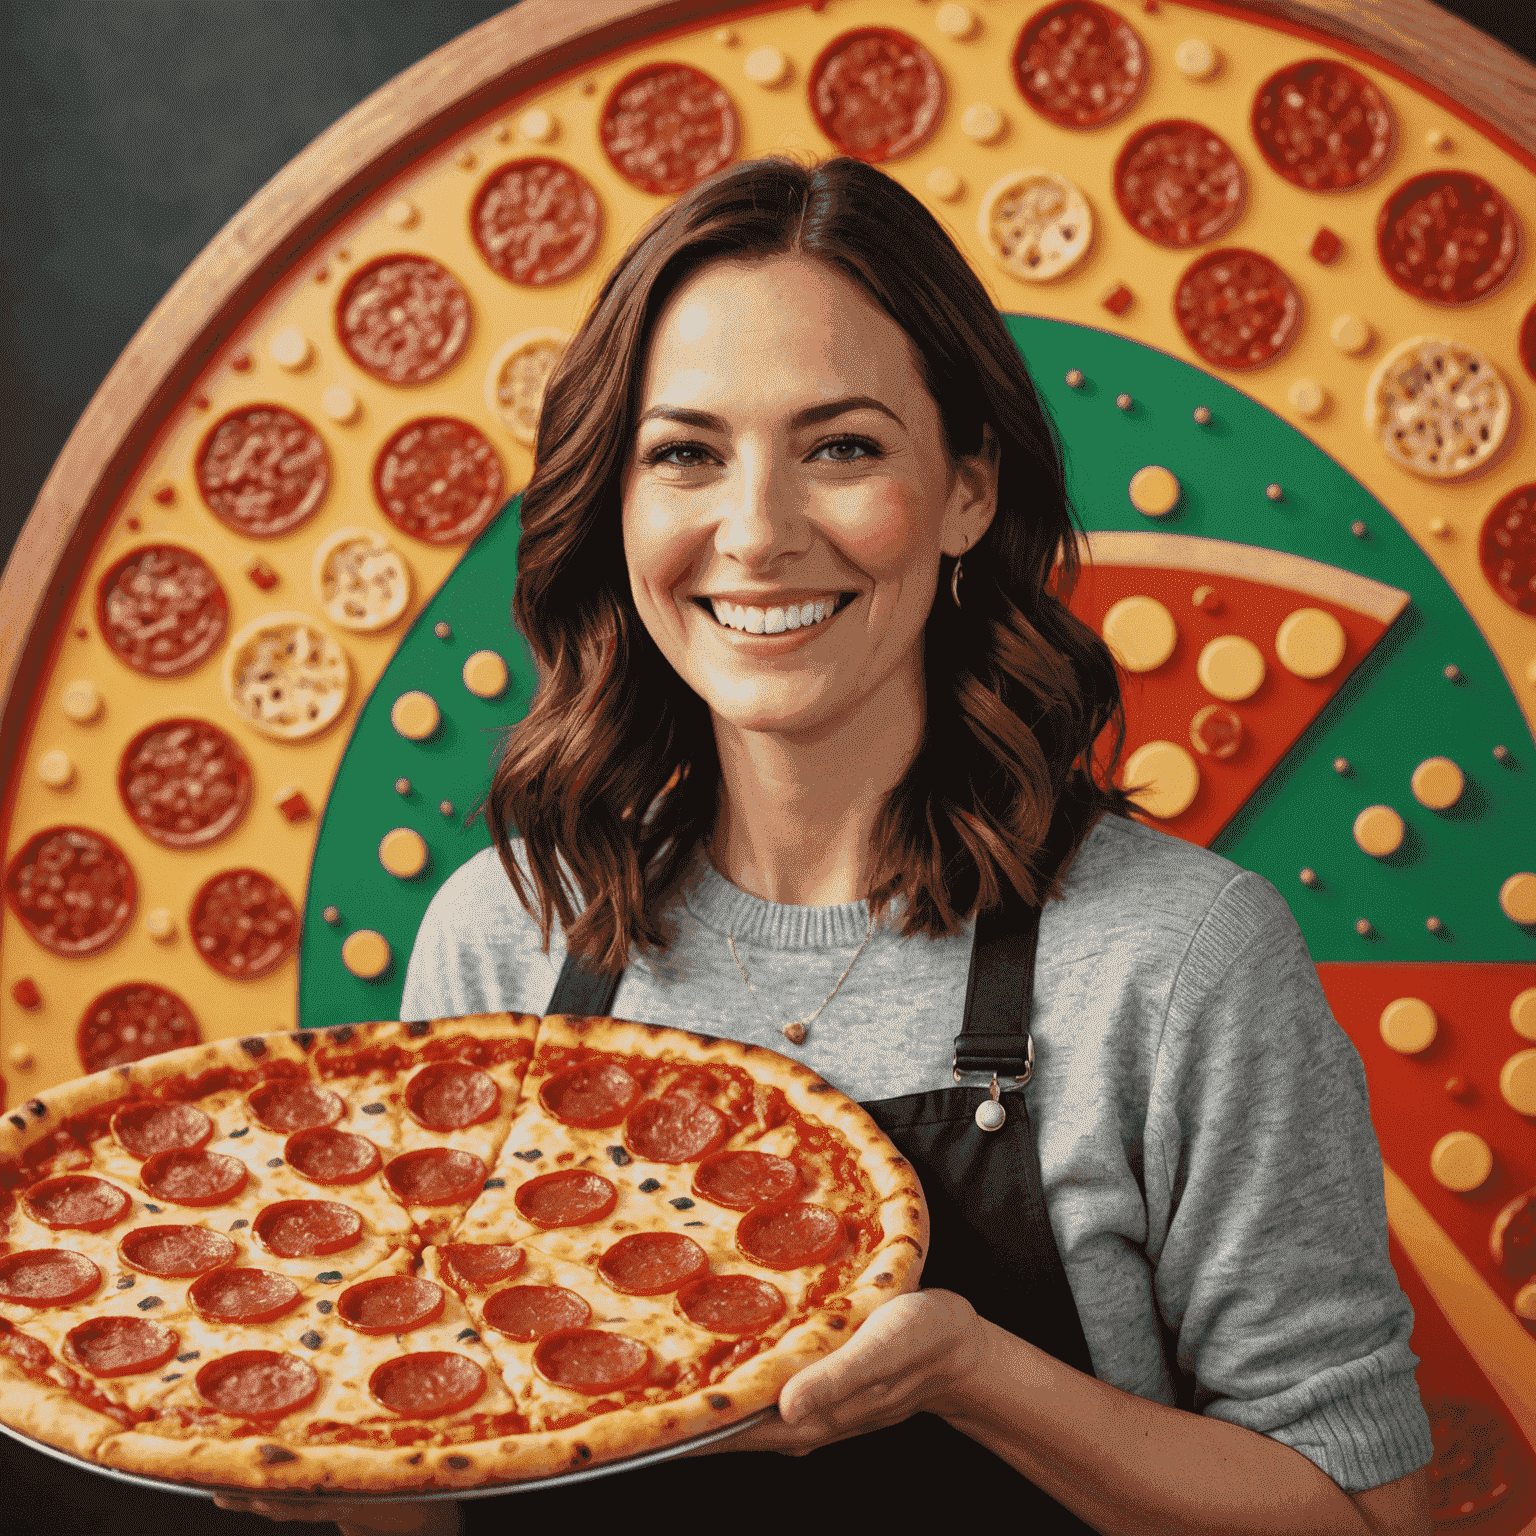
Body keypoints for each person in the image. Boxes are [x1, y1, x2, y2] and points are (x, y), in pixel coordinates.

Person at [217, 154, 1433, 1536]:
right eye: (685, 454)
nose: (758, 531)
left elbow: (1370, 1515)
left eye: (842, 447)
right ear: (616, 508)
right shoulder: (505, 932)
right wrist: (308, 1455)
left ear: (969, 489)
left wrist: (973, 1376)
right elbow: (438, 1488)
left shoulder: (1177, 960)